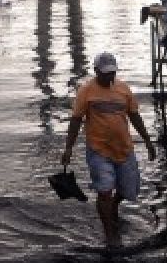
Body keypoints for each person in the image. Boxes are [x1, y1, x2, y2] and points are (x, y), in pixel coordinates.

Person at [61, 51, 156, 246]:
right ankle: (110, 234)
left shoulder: (124, 89)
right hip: (98, 150)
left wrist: (147, 140)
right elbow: (76, 120)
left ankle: (113, 205)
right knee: (104, 191)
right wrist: (68, 148)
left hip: (124, 149)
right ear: (96, 71)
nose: (109, 76)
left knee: (128, 189)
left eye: (112, 72)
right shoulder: (86, 91)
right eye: (104, 73)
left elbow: (134, 116)